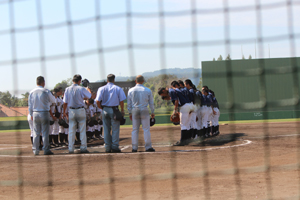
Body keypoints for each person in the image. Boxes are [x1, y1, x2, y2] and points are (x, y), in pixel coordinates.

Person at [96, 74, 126, 153]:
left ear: (107, 80)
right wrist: (122, 110)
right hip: (114, 110)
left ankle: (107, 147)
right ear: (114, 80)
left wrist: (101, 108)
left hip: (105, 109)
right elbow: (121, 101)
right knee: (115, 129)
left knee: (106, 129)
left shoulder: (101, 88)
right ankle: (115, 147)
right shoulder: (118, 88)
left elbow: (97, 101)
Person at [63, 74, 92, 154]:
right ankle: (83, 148)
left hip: (71, 110)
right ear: (79, 81)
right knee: (82, 130)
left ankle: (71, 149)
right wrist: (88, 88)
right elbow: (89, 96)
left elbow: (65, 102)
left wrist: (64, 112)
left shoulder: (67, 89)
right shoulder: (81, 88)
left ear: (73, 80)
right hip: (80, 110)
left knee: (71, 130)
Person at [28, 76, 56, 155]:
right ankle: (46, 149)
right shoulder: (46, 91)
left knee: (36, 133)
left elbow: (30, 105)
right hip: (44, 112)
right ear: (43, 82)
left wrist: (31, 114)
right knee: (45, 132)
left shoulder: (32, 92)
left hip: (35, 112)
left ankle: (35, 150)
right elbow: (53, 100)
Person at [127, 75, 155, 152]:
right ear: (143, 81)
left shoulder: (131, 90)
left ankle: (134, 148)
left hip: (135, 110)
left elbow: (129, 103)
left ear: (135, 81)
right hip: (144, 110)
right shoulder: (147, 90)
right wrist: (152, 111)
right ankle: (148, 147)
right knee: (146, 129)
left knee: (135, 130)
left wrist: (129, 112)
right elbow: (151, 103)